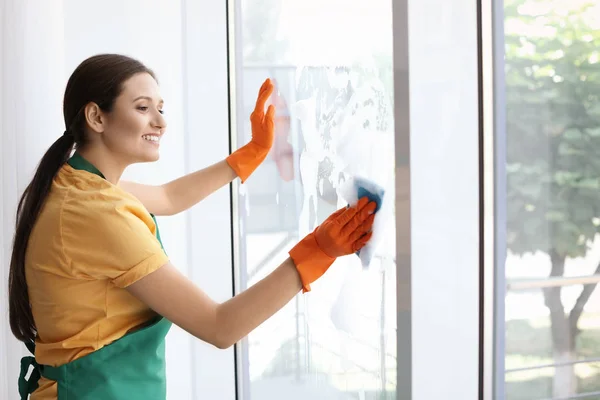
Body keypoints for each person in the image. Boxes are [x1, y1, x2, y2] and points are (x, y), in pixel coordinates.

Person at [8, 53, 376, 400]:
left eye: (161, 108)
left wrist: (247, 157)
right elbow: (220, 326)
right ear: (96, 117)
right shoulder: (96, 213)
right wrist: (317, 252)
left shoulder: (75, 184)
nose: (161, 121)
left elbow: (168, 198)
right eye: (142, 108)